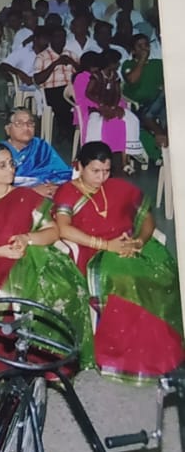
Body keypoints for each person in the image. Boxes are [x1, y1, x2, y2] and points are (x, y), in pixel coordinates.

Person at [0, 143, 92, 364]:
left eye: (11, 163)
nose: (11, 169)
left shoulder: (25, 195)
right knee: (23, 293)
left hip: (29, 255)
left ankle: (51, 359)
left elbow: (53, 230)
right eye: (2, 165)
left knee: (62, 287)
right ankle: (18, 360)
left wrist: (27, 238)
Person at [53, 142, 185, 380]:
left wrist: (139, 241)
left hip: (129, 243)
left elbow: (147, 219)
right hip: (95, 252)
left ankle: (158, 343)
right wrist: (107, 245)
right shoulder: (68, 192)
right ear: (79, 166)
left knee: (165, 272)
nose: (101, 177)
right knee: (127, 278)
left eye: (106, 171)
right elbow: (64, 229)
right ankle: (128, 354)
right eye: (95, 171)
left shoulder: (119, 187)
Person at [3, 107, 72, 194]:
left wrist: (54, 186)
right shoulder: (0, 152)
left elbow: (63, 172)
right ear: (8, 129)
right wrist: (33, 191)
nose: (26, 127)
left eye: (30, 123)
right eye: (19, 123)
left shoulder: (41, 147)